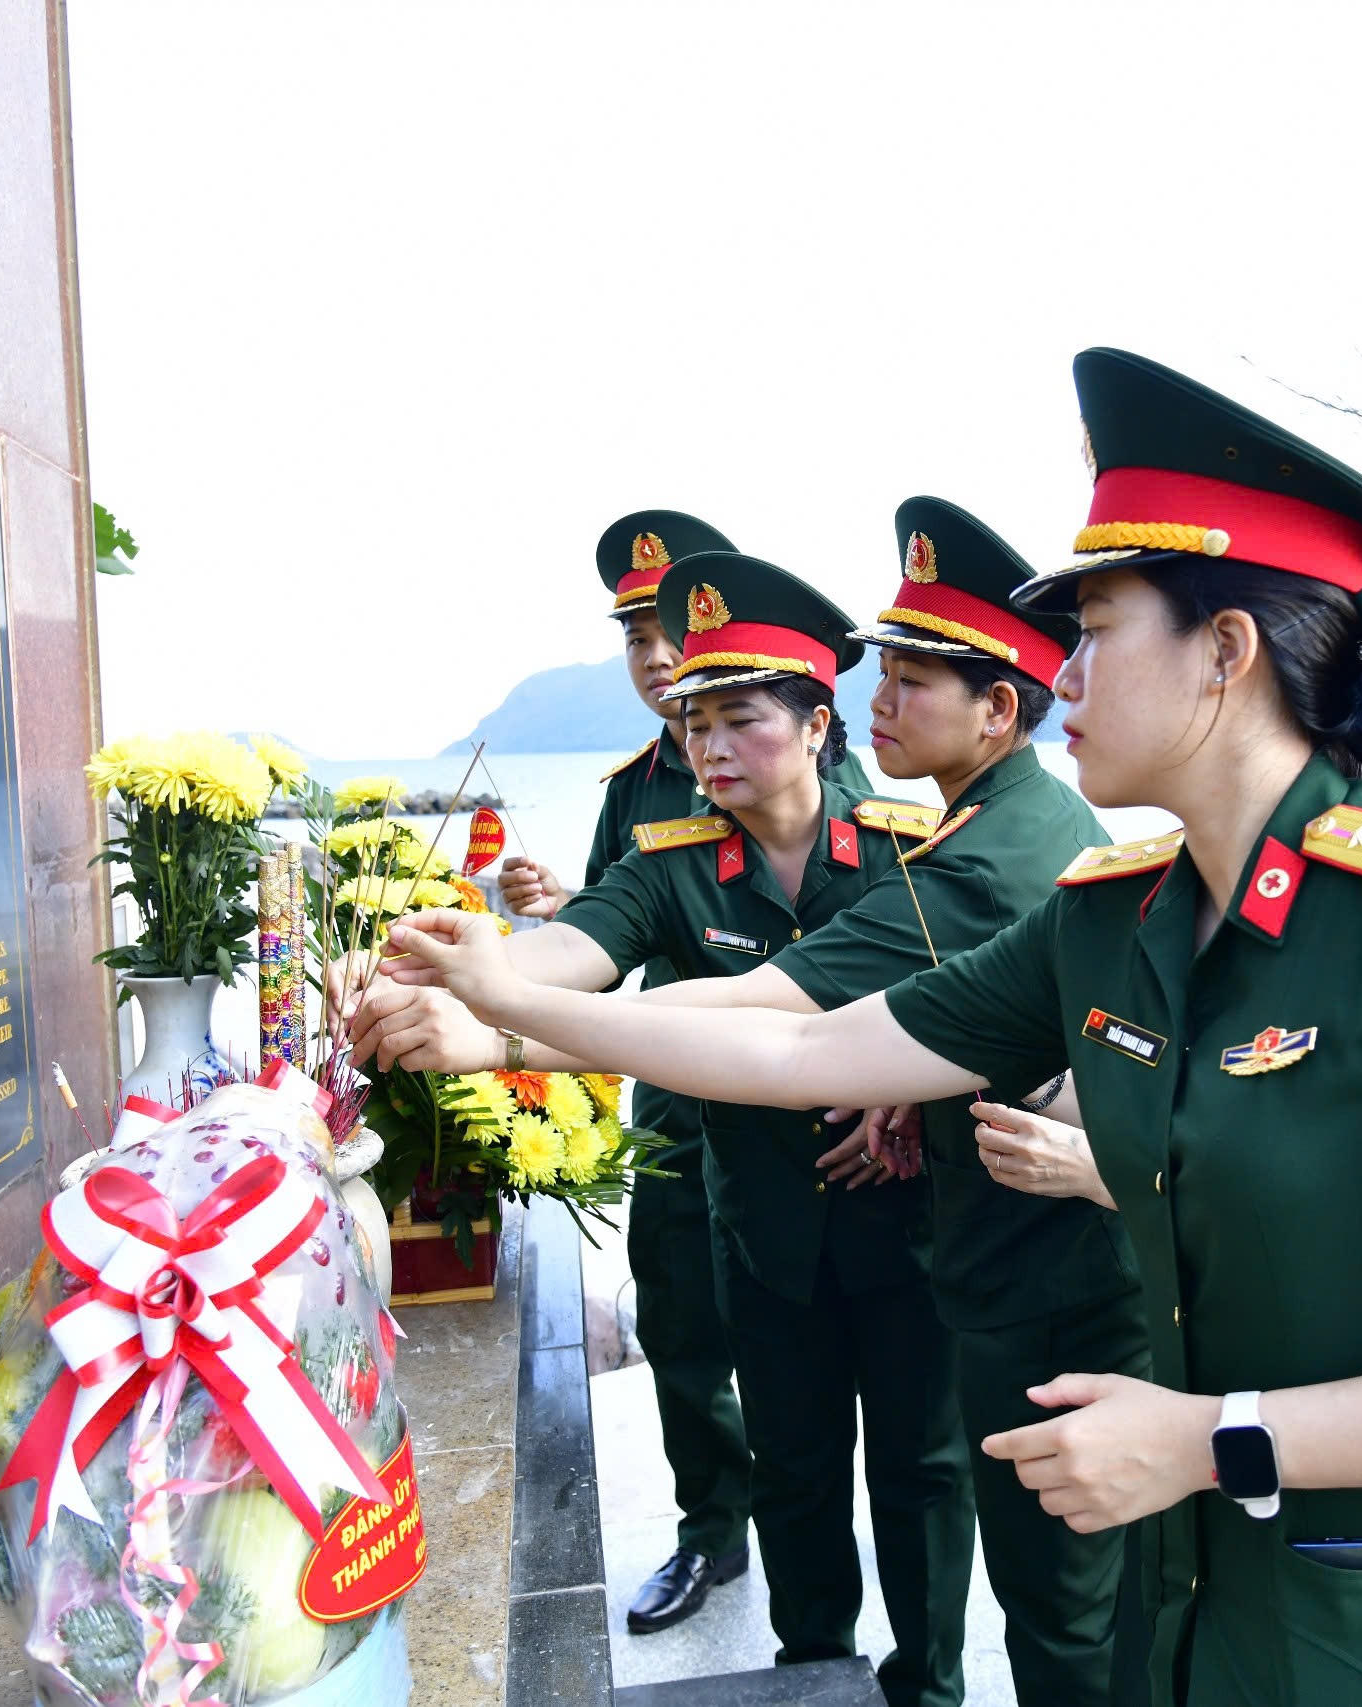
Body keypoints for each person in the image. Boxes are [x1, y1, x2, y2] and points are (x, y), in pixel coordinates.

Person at [376, 348, 1362, 1706]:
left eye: (1099, 628)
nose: (1061, 675)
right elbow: (809, 1047)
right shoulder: (1117, 913)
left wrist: (1215, 1441)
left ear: (1225, 652)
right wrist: (511, 1007)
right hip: (1198, 1616)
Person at [355, 552, 977, 1706]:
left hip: (909, 1222)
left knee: (924, 1473)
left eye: (740, 719)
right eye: (694, 724)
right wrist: (456, 975)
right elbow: (576, 951)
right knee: (792, 1469)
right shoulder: (671, 865)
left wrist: (912, 1092)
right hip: (765, 1222)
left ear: (816, 723)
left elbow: (975, 1007)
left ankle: (930, 1685)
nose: (710, 749)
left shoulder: (912, 847)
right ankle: (810, 1677)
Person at [489, 508, 762, 1633]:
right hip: (678, 1107)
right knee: (681, 1325)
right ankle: (712, 1530)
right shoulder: (632, 792)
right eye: (636, 638)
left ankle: (814, 1554)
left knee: (808, 1343)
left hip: (801, 1103)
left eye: (669, 632)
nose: (653, 656)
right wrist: (553, 916)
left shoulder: (806, 762)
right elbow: (609, 939)